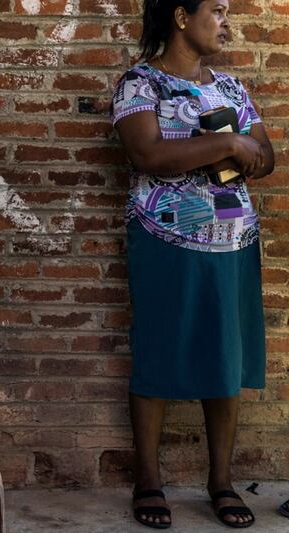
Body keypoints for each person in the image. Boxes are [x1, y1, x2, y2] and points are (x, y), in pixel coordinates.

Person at [112, 0, 274, 529]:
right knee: (159, 348)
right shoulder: (142, 84)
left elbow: (266, 158)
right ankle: (149, 481)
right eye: (219, 10)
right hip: (165, 236)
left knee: (225, 355)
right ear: (182, 16)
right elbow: (149, 156)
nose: (227, 22)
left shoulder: (229, 88)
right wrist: (227, 142)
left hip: (233, 237)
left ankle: (221, 482)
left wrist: (231, 147)